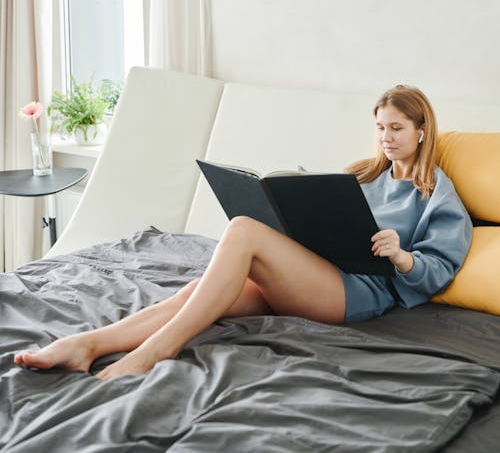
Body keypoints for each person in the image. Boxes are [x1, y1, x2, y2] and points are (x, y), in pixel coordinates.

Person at [14, 84, 472, 380]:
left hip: (356, 292)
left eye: (396, 128)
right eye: (379, 128)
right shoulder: (364, 174)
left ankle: (156, 351)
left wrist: (401, 256)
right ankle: (86, 344)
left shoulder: (436, 195)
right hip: (315, 274)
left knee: (242, 231)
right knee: (196, 292)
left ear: (421, 129)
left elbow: (440, 271)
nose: (386, 138)